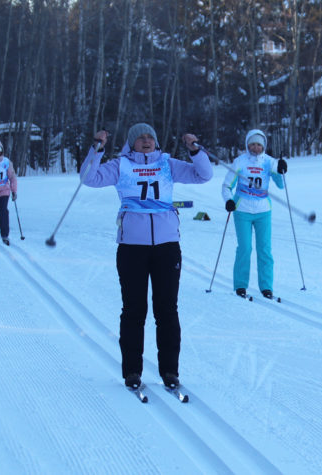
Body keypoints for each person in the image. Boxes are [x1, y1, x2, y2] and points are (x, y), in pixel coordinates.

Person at [80, 123, 213, 391]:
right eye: (140, 137)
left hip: (167, 245)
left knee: (167, 310)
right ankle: (132, 371)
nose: (146, 140)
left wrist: (195, 150)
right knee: (133, 310)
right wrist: (96, 149)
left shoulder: (167, 163)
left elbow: (204, 175)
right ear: (131, 143)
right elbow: (88, 178)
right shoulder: (120, 165)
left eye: (150, 136)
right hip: (132, 247)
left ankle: (169, 371)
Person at [221, 129, 287, 300]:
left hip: (263, 211)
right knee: (245, 248)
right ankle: (240, 285)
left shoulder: (269, 162)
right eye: (252, 144)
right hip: (242, 210)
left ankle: (266, 287)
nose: (255, 148)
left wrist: (281, 170)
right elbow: (226, 186)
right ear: (247, 145)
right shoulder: (240, 162)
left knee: (264, 249)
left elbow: (281, 185)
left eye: (259, 144)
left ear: (263, 146)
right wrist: (228, 200)